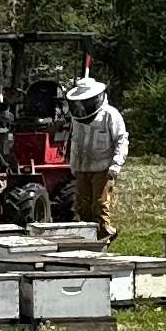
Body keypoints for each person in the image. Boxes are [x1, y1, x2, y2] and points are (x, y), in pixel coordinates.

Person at [64, 75, 128, 239]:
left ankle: (104, 236)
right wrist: (73, 165)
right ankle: (89, 238)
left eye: (86, 102)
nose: (82, 107)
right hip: (81, 168)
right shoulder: (77, 118)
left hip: (102, 168)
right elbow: (75, 142)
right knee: (81, 207)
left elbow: (121, 140)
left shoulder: (110, 115)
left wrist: (116, 165)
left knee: (99, 205)